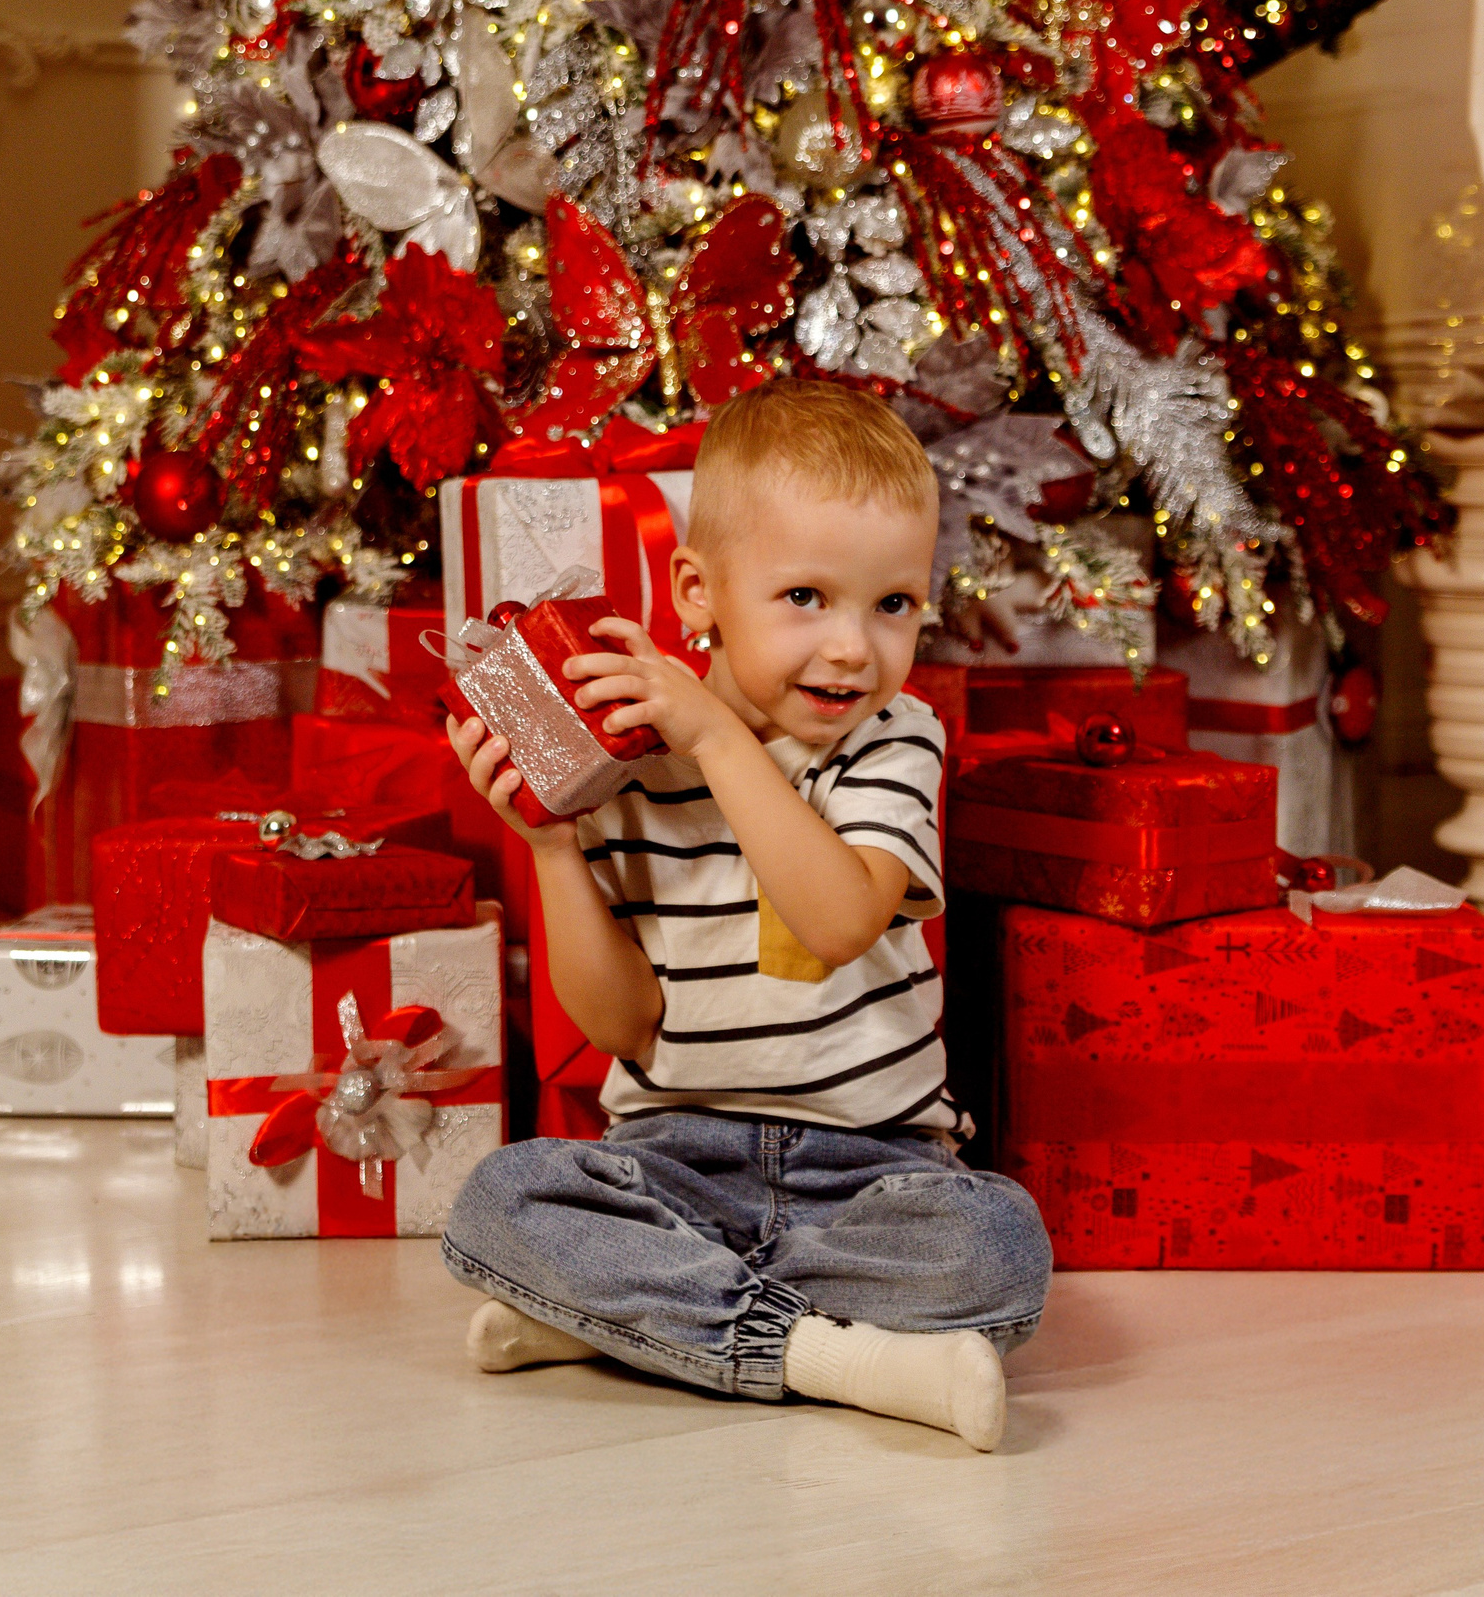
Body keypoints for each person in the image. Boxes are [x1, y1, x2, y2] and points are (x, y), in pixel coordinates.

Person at [440, 377, 1051, 1451]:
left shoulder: (892, 739)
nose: (854, 647)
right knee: (503, 1195)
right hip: (676, 1161)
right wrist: (549, 845)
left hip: (872, 1168)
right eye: (805, 598)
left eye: (892, 604)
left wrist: (720, 743)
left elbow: (839, 920)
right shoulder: (631, 754)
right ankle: (833, 1357)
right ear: (697, 591)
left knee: (997, 1244)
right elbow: (623, 1029)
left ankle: (634, 1320)